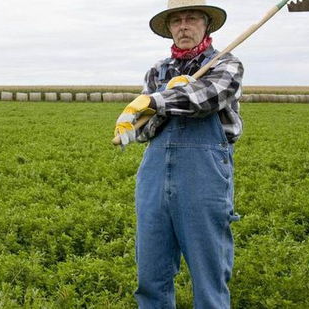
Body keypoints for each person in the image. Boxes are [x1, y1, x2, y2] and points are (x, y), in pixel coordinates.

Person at [113, 0, 244, 308]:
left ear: (205, 25)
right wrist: (132, 127)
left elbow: (206, 99)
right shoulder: (158, 70)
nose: (184, 26)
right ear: (169, 28)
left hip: (203, 173)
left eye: (192, 19)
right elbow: (149, 129)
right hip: (155, 173)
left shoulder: (226, 64)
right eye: (177, 21)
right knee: (151, 272)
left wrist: (159, 100)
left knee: (208, 272)